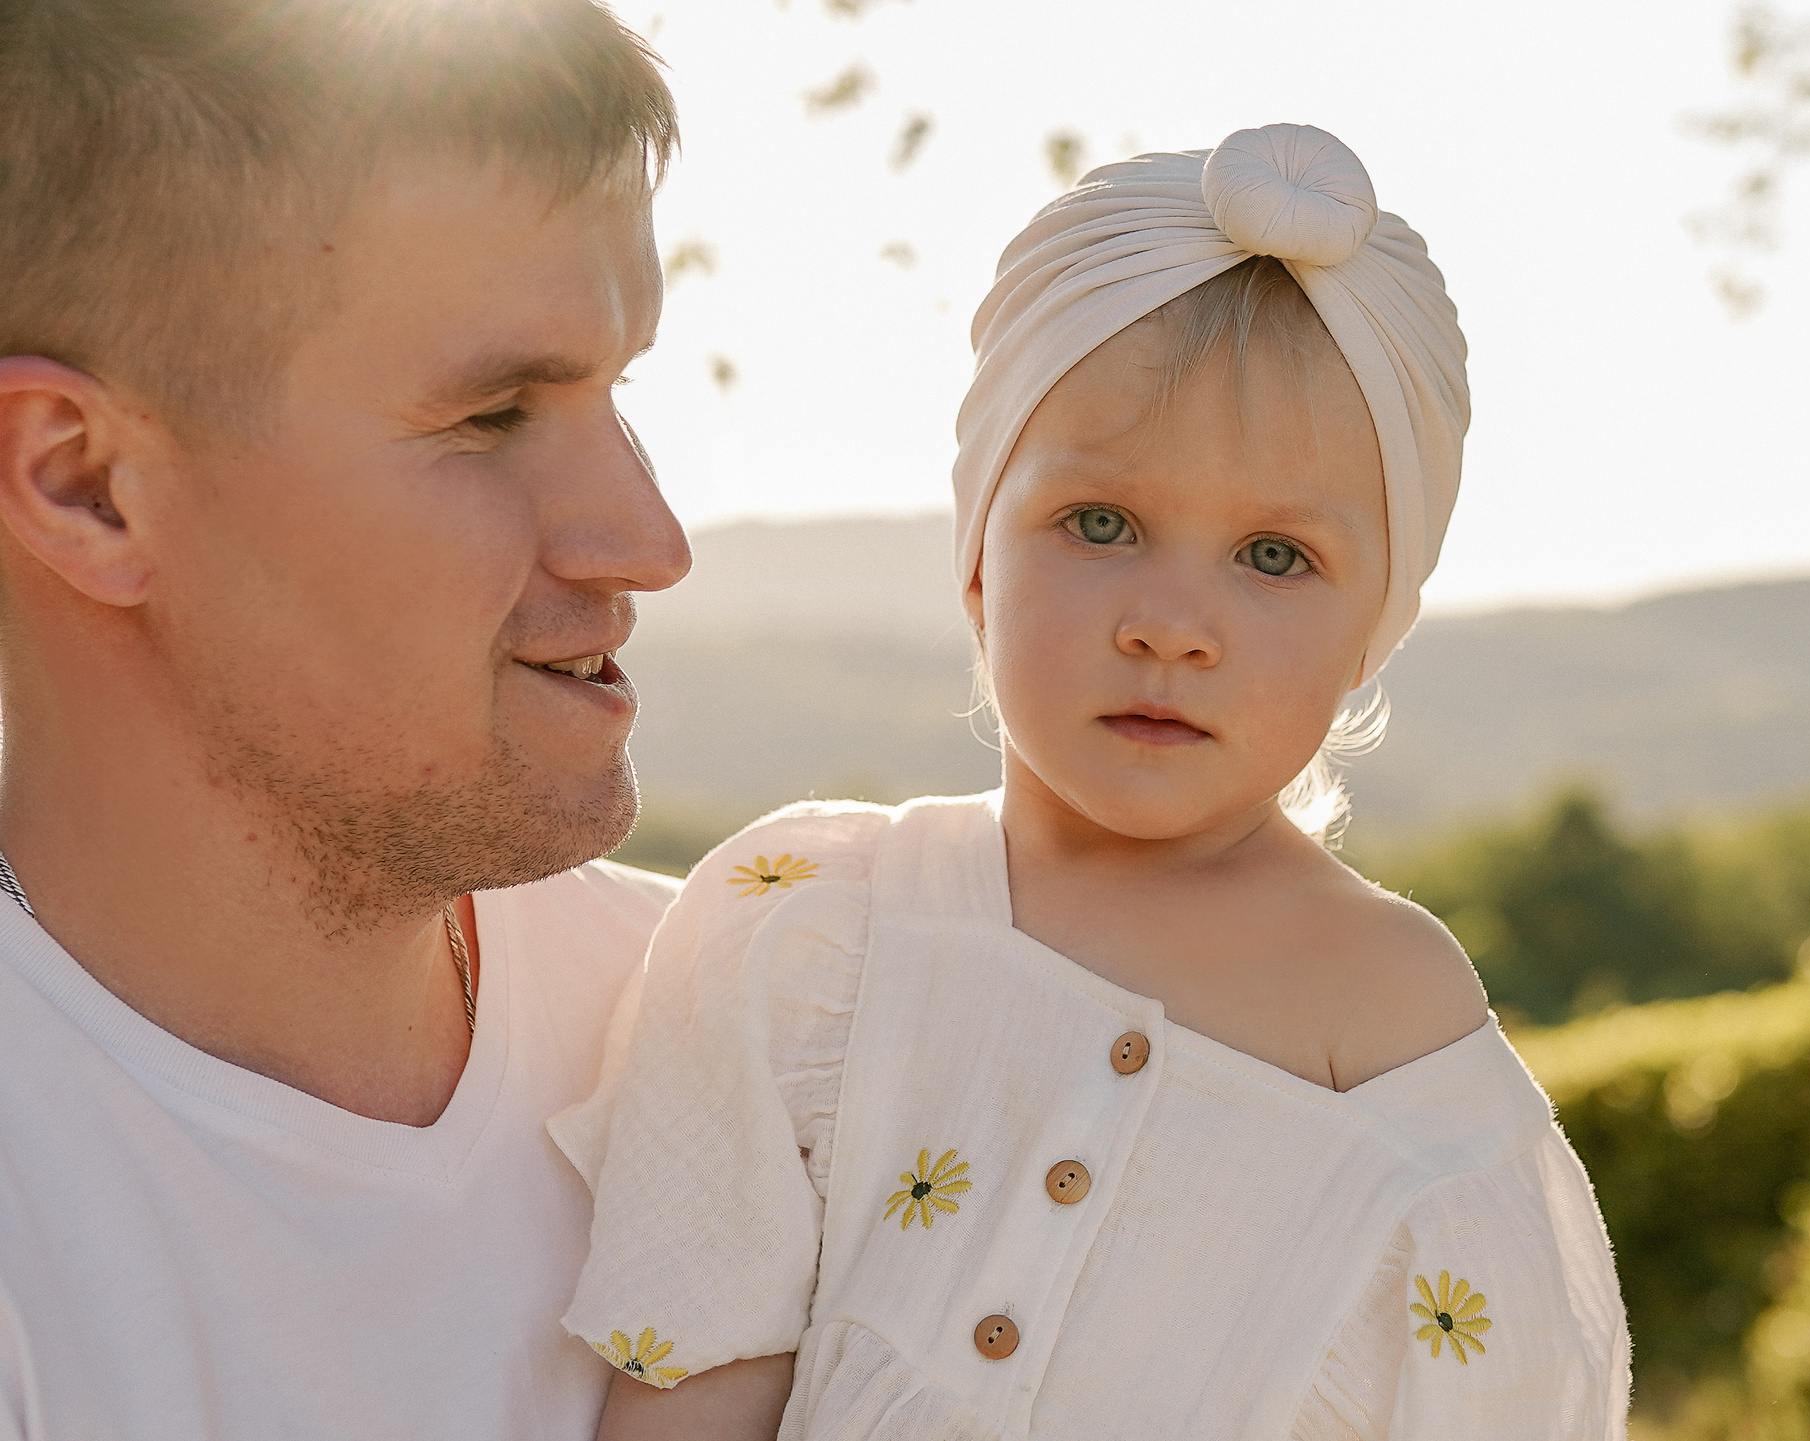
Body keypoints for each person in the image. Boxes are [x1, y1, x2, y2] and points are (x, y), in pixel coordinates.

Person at [552, 124, 1631, 1440]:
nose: (1172, 621)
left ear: (1375, 629)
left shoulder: (1392, 1019)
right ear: (976, 561)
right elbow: (688, 1392)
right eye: (1101, 524)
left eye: (1275, 557)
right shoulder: (814, 932)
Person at [0, 2, 692, 1436]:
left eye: (618, 390)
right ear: (84, 486)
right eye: (493, 415)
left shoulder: (757, 1034)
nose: (646, 535)